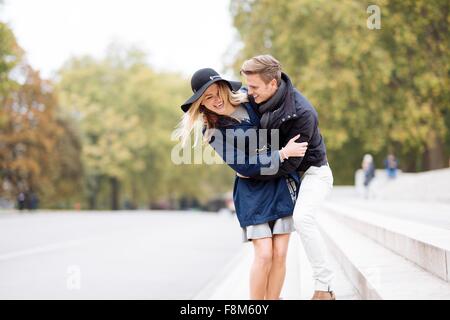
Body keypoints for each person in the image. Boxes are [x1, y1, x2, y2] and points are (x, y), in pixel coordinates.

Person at [176, 68, 308, 300]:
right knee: (265, 254)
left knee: (280, 254)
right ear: (201, 103)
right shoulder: (213, 131)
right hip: (253, 194)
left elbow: (281, 117)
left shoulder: (250, 100)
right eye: (208, 97)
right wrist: (282, 154)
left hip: (281, 184)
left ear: (226, 89)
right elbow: (244, 167)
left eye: (218, 92)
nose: (216, 100)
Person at [239, 55, 335, 300]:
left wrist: (250, 168)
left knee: (303, 218)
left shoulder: (302, 113)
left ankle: (324, 288)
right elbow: (223, 92)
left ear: (273, 84)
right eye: (247, 86)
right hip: (282, 173)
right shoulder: (256, 94)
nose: (248, 93)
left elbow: (289, 164)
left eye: (254, 87)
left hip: (311, 173)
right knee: (269, 250)